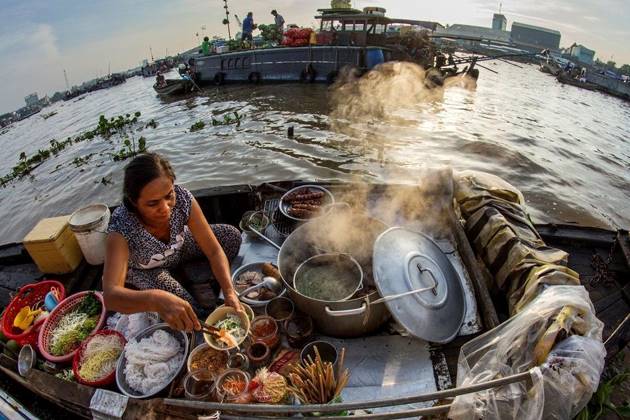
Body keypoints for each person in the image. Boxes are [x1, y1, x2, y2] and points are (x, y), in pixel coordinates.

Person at [103, 153, 243, 332]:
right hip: (148, 269)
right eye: (153, 204)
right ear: (134, 202)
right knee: (186, 310)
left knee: (231, 237)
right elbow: (111, 296)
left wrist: (229, 291)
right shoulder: (121, 226)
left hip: (180, 247)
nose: (165, 208)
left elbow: (214, 251)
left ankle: (187, 273)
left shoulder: (183, 199)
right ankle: (179, 280)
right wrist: (155, 299)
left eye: (169, 196)